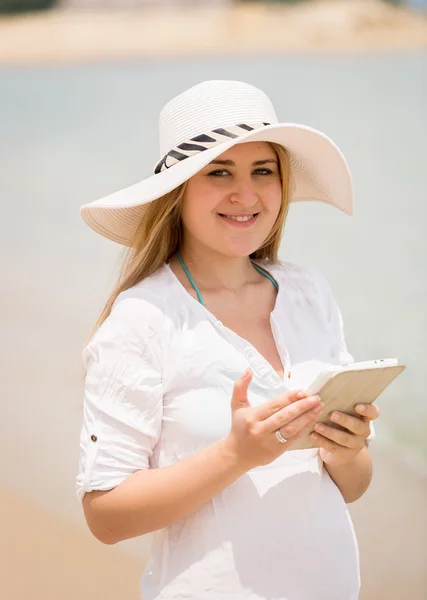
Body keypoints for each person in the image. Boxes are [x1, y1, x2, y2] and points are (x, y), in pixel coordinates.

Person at [76, 80, 379, 600]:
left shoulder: (309, 293)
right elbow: (105, 515)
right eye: (219, 173)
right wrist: (235, 455)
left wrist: (347, 450)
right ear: (179, 191)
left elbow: (351, 486)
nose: (246, 194)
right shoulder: (143, 318)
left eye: (263, 171)